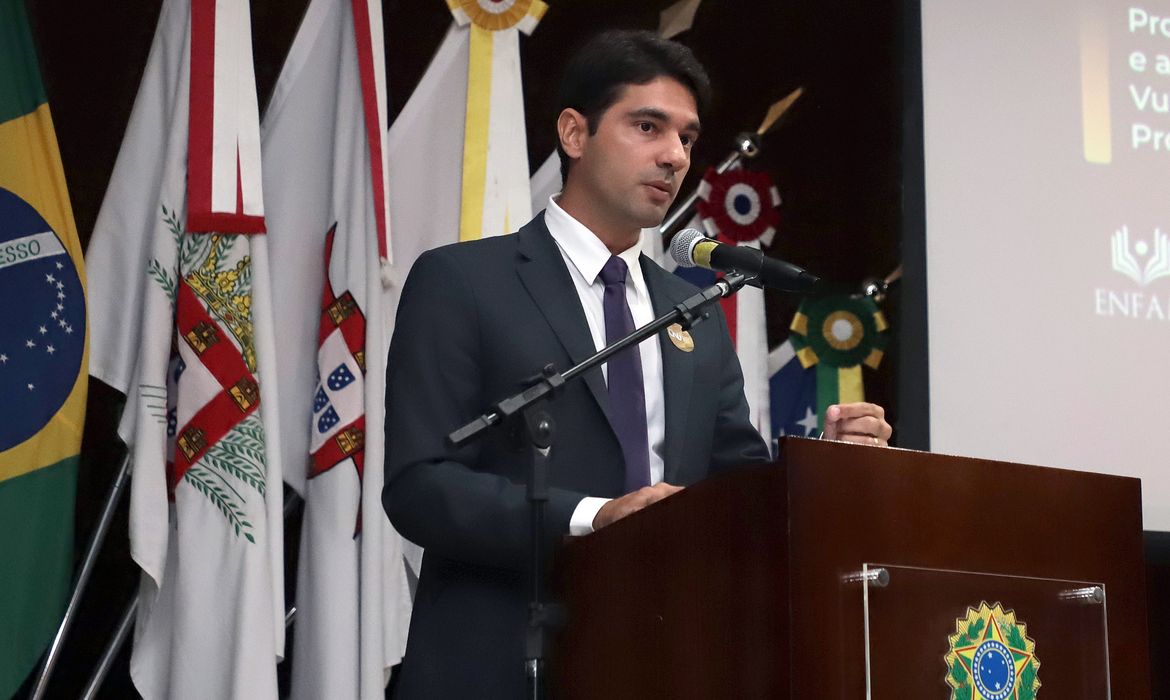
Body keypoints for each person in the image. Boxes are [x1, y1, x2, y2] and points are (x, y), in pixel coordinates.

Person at [382, 29, 892, 699]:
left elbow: (733, 490)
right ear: (574, 132)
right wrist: (593, 517)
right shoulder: (464, 281)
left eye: (686, 137)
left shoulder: (694, 309)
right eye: (648, 126)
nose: (674, 155)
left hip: (661, 659)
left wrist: (820, 466)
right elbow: (420, 485)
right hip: (500, 661)